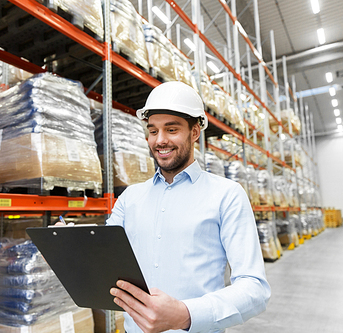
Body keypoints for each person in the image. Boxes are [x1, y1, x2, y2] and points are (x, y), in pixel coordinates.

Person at [105, 81, 271, 333]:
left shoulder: (227, 195)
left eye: (171, 129)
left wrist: (186, 315)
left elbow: (254, 288)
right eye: (152, 131)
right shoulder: (130, 197)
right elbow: (103, 254)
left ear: (195, 132)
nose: (160, 140)